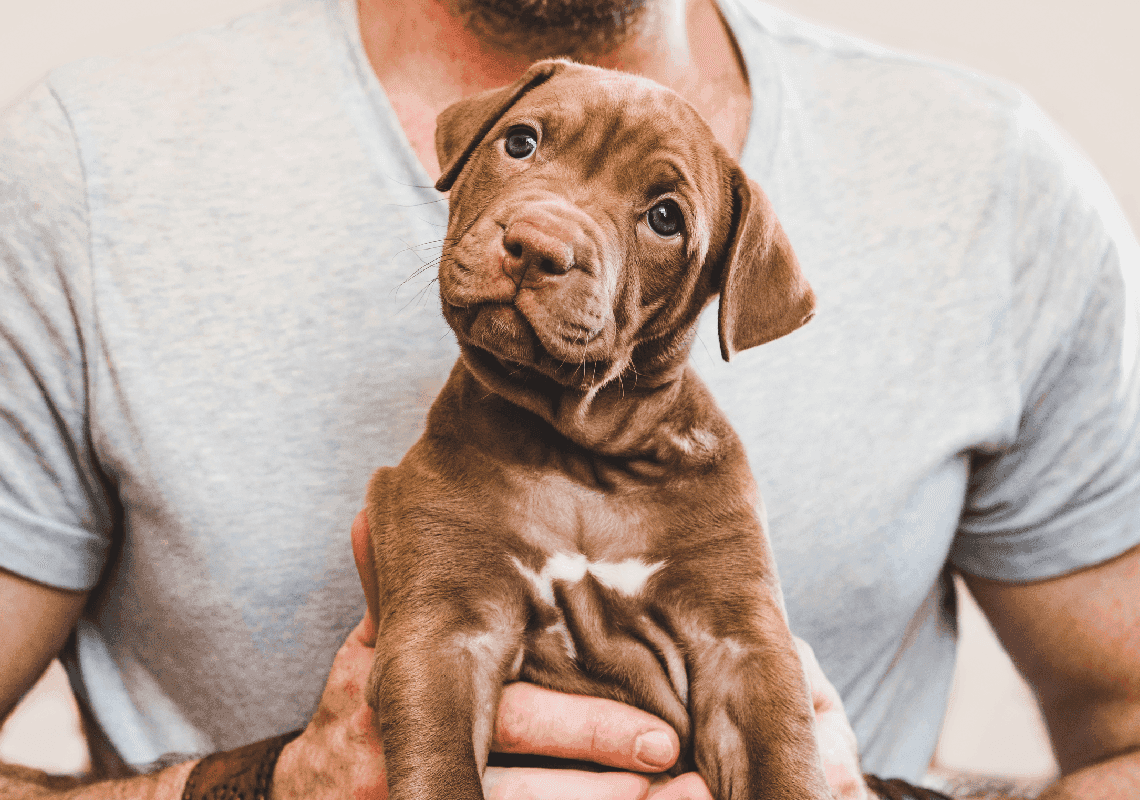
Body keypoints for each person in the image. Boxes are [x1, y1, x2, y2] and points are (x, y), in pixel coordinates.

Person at [2, 0, 1139, 797]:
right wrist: (243, 788)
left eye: (660, 218)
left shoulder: (1000, 188)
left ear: (715, 289)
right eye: (524, 148)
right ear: (472, 152)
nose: (545, 228)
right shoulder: (88, 172)